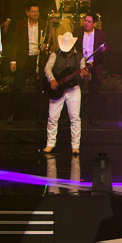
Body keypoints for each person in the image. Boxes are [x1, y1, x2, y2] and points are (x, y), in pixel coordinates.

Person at [42, 21, 84, 156]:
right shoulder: (55, 54)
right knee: (52, 117)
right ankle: (50, 144)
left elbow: (84, 75)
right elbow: (47, 68)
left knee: (75, 118)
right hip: (57, 89)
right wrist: (52, 79)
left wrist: (86, 75)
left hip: (74, 89)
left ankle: (75, 146)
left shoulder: (80, 56)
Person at [8, 3, 49, 124]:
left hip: (38, 59)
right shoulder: (20, 24)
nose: (36, 14)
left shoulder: (43, 24)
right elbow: (15, 42)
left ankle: (40, 116)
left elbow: (49, 40)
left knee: (41, 87)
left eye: (37, 11)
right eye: (33, 11)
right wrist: (13, 60)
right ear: (27, 13)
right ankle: (13, 114)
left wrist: (46, 45)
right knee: (17, 86)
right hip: (24, 59)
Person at [75, 12, 109, 123]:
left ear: (94, 24)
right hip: (81, 66)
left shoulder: (101, 34)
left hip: (94, 65)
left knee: (94, 93)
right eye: (85, 20)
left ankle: (93, 118)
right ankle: (75, 117)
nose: (86, 23)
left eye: (89, 22)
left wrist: (104, 49)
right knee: (74, 92)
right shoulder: (77, 32)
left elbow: (108, 47)